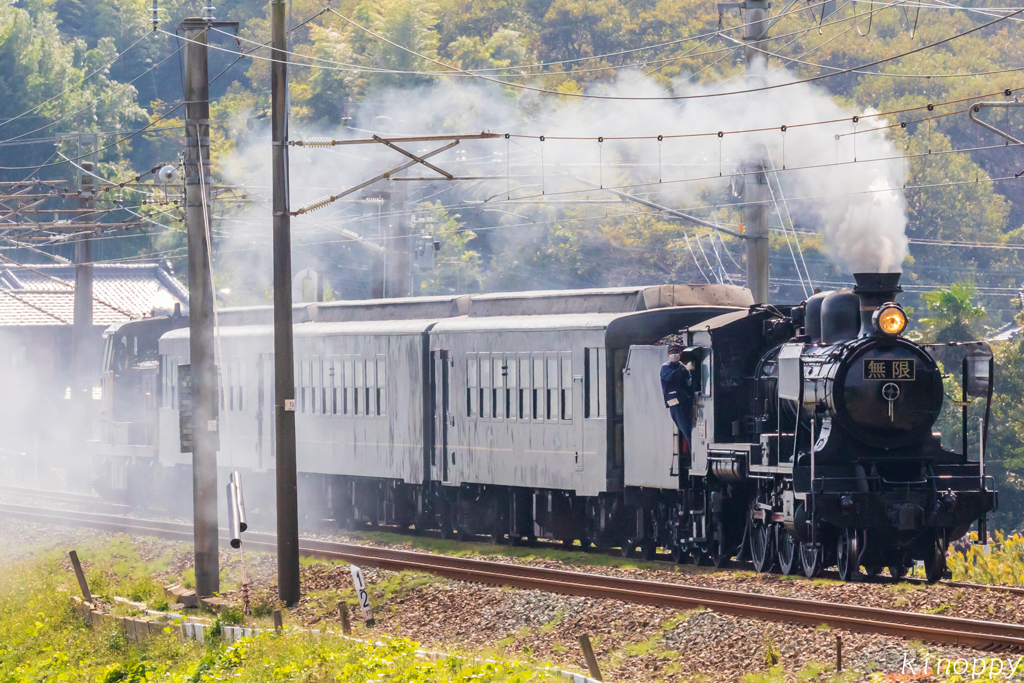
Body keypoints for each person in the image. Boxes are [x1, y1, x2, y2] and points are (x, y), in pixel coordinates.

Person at [661, 345, 694, 453]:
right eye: (672, 352)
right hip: (675, 403)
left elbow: (689, 383)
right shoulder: (665, 368)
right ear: (668, 355)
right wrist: (684, 368)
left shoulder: (683, 368)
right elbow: (673, 377)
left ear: (680, 354)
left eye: (676, 352)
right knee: (687, 430)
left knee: (691, 430)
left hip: (685, 401)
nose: (674, 354)